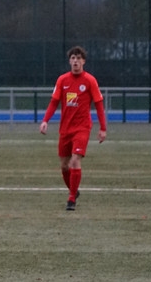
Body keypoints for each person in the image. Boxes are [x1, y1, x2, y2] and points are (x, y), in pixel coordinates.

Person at [39, 45, 107, 211]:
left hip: (82, 128)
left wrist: (103, 128)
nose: (76, 61)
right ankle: (74, 191)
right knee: (64, 165)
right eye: (73, 58)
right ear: (69, 61)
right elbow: (54, 102)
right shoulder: (62, 80)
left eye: (79, 58)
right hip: (65, 129)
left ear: (83, 61)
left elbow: (99, 105)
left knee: (75, 161)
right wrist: (45, 120)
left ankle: (71, 199)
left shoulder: (90, 81)